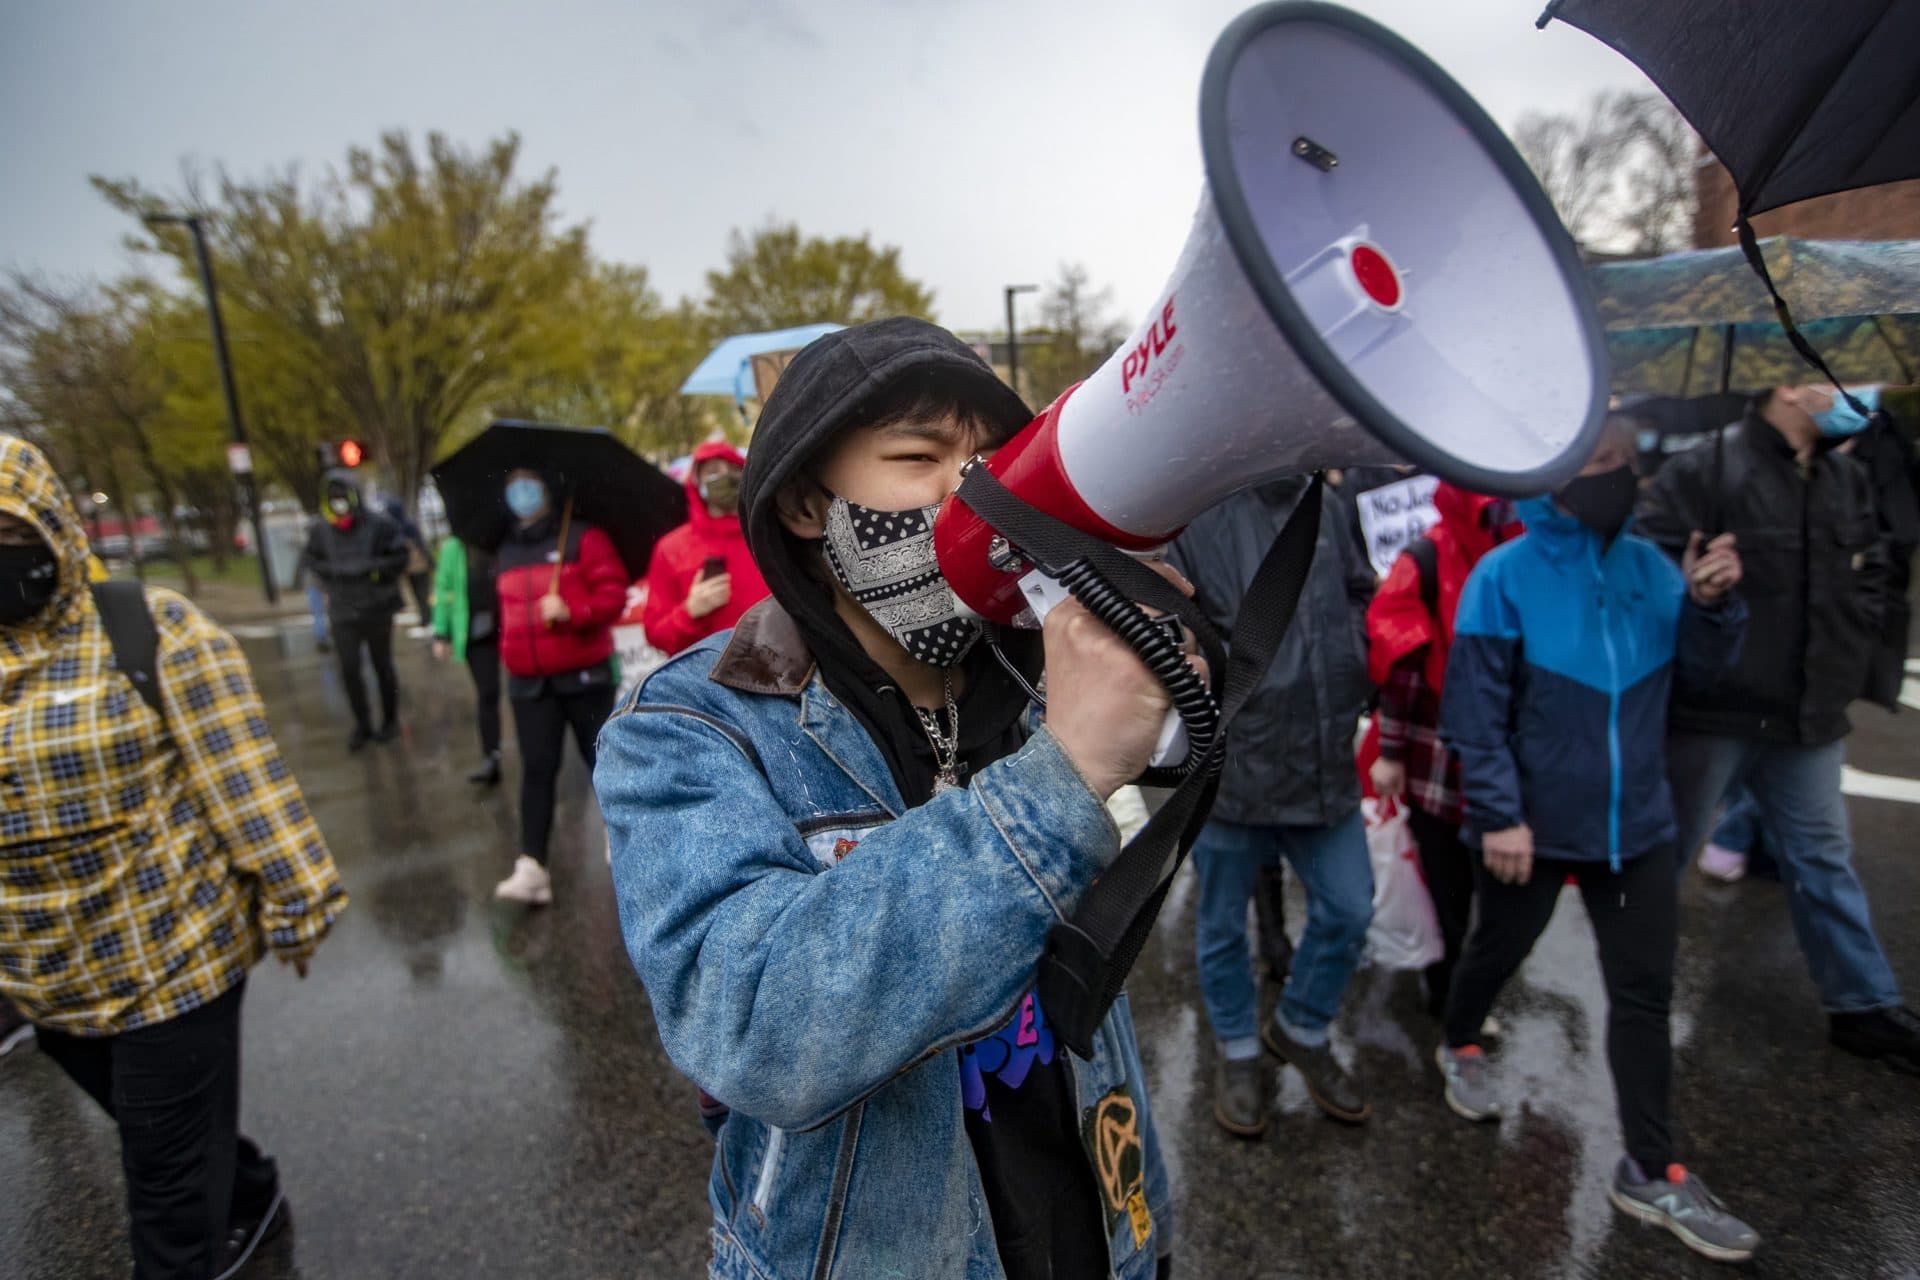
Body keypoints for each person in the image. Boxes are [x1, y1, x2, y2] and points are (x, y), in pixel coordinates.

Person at [597, 318, 1175, 1279]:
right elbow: (752, 1024)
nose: (974, 492)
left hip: (1094, 1221)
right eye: (921, 457)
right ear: (799, 504)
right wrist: (1058, 780)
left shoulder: (1041, 677)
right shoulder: (686, 729)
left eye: (993, 461)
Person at [0, 436, 348, 1279]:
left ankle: (213, 1212)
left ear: (51, 528)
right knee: (158, 1129)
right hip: (42, 978)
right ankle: (248, 1188)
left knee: (165, 1201)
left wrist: (300, 903)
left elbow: (245, 782)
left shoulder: (150, 630)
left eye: (11, 539)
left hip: (171, 968)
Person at [1436, 422, 1760, 1263]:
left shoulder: (1655, 569)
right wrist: (1501, 814)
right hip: (1532, 831)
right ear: (1554, 473)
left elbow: (1700, 677)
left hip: (1638, 831)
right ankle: (1460, 1037)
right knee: (1498, 948)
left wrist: (1714, 607)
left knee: (1645, 992)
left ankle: (1651, 1168)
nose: (1617, 475)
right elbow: (1474, 711)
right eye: (1597, 462)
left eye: (1623, 461)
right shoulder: (1503, 576)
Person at [1637, 383, 1920, 1073]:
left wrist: (1853, 646)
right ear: (1792, 388)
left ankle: (1862, 1005)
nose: (1857, 395)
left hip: (1809, 714)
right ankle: (1635, 988)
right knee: (1663, 858)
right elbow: (1642, 572)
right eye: (1839, 380)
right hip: (1716, 714)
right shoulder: (1703, 468)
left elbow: (1874, 569)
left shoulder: (1845, 475)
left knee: (1823, 856)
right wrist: (1696, 590)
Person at [1167, 478, 1378, 1135]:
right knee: (1223, 925)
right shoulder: (1194, 514)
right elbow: (1174, 632)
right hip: (1234, 773)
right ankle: (1237, 1050)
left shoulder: (1330, 506)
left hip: (1324, 764)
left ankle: (1302, 1027)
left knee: (1349, 906)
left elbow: (1359, 589)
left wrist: (1356, 660)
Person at [1365, 482, 1521, 1019]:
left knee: (1497, 891)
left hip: (1508, 759)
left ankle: (1466, 988)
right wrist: (1391, 751)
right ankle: (1450, 991)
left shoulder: (1528, 553)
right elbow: (1402, 668)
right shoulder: (1427, 560)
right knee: (1448, 885)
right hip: (1439, 762)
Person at [491, 468, 627, 904]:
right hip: (529, 682)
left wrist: (573, 609)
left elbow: (613, 594)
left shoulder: (584, 538)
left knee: (602, 764)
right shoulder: (505, 546)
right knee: (536, 769)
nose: (522, 494)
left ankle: (624, 843)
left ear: (548, 490)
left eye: (530, 483)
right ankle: (532, 866)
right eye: (514, 485)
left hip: (584, 676)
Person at [304, 467, 409, 750]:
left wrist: (372, 571)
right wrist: (334, 574)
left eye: (343, 496)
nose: (339, 502)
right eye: (333, 497)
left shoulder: (380, 525)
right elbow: (313, 561)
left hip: (376, 608)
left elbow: (399, 557)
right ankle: (362, 723)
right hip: (343, 610)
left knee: (382, 666)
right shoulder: (321, 530)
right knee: (349, 668)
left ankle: (389, 721)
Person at [641, 439, 769, 655]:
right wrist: (690, 612)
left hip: (783, 668)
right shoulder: (671, 549)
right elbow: (656, 634)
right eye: (713, 471)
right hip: (709, 679)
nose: (725, 476)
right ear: (696, 481)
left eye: (733, 468)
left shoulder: (767, 533)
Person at [430, 536, 504, 785]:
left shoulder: (505, 539)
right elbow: (444, 588)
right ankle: (491, 756)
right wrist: (442, 632)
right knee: (488, 693)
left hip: (513, 629)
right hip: (477, 634)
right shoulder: (453, 547)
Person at [380, 495, 436, 626]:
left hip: (416, 567)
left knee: (421, 594)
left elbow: (419, 545)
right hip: (412, 567)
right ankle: (425, 618)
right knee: (419, 594)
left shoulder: (402, 527)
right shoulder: (398, 526)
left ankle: (427, 619)